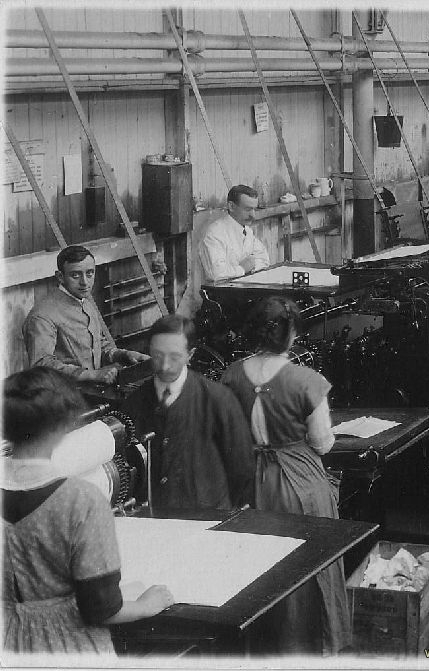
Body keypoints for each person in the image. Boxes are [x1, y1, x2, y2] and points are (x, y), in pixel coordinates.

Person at [3, 367, 175, 655]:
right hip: (67, 646)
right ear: (64, 429)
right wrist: (145, 605)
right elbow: (102, 609)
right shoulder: (82, 501)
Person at [219, 297, 350, 655]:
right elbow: (322, 443)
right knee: (310, 565)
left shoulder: (231, 375)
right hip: (298, 482)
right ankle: (308, 648)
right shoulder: (306, 380)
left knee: (257, 569)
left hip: (248, 481)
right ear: (291, 333)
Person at [121, 315, 254, 510]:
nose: (165, 366)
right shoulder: (133, 404)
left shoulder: (218, 400)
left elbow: (242, 469)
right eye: (157, 355)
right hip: (154, 519)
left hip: (207, 517)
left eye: (174, 357)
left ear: (190, 355)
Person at [23, 245, 150, 385]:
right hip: (62, 394)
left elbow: (97, 346)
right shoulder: (42, 315)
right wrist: (90, 375)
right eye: (75, 275)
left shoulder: (86, 303)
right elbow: (41, 365)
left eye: (89, 273)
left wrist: (123, 355)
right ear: (60, 277)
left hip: (92, 389)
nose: (84, 282)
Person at [199, 184, 270, 284]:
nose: (253, 215)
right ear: (231, 206)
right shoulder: (215, 233)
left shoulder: (247, 231)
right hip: (221, 292)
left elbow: (264, 259)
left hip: (244, 287)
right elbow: (217, 274)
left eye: (254, 209)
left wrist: (248, 266)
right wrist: (242, 268)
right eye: (248, 209)